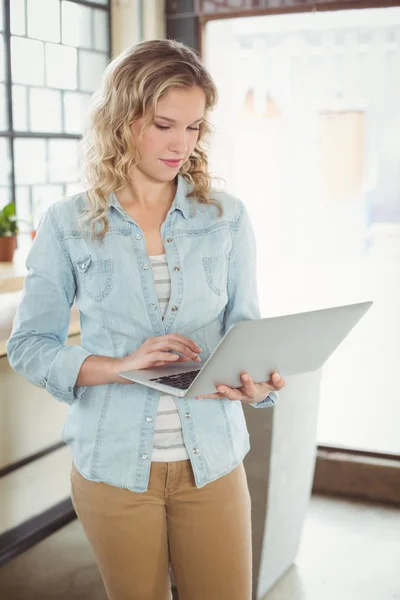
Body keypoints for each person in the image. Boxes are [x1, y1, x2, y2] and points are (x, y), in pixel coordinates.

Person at [7, 39, 285, 600]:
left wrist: (257, 382)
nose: (181, 144)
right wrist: (121, 365)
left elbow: (246, 328)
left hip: (213, 464)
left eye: (194, 127)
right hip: (113, 469)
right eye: (164, 124)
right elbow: (30, 346)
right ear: (123, 119)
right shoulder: (67, 223)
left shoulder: (227, 218)